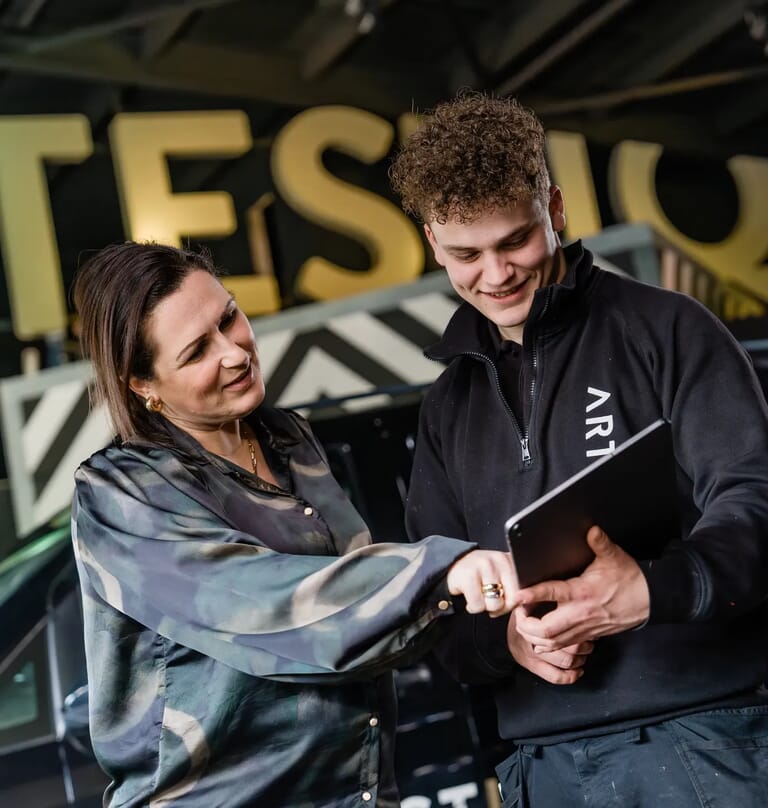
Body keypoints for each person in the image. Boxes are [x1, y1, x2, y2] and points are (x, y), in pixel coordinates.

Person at [389, 91, 768, 806]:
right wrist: (507, 646)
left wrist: (651, 590)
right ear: (433, 244)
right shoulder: (447, 408)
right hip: (544, 768)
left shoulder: (669, 329)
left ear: (554, 210)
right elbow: (434, 608)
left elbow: (756, 497)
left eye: (516, 241)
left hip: (707, 742)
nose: (496, 275)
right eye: (467, 254)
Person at [69, 241, 519, 808]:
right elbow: (263, 606)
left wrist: (507, 614)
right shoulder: (120, 493)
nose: (234, 353)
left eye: (228, 318)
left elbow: (366, 611)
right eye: (197, 351)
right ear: (144, 385)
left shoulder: (289, 440)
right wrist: (442, 567)